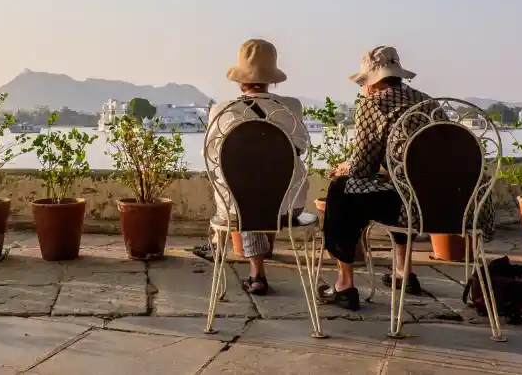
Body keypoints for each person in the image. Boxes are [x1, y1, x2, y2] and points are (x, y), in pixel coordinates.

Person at [319, 46, 494, 311]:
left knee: (341, 191)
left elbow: (363, 169)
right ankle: (403, 271)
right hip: (456, 205)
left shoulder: (373, 104)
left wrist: (345, 166)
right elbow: (430, 158)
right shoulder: (427, 102)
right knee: (399, 184)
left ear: (371, 82)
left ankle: (344, 285)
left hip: (409, 209)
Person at [199, 39, 311, 296]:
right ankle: (241, 261)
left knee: (240, 188)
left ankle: (252, 270)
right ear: (271, 79)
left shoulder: (221, 110)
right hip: (288, 208)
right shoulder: (291, 107)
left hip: (238, 210)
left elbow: (211, 156)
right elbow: (301, 147)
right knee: (256, 187)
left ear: (240, 79)